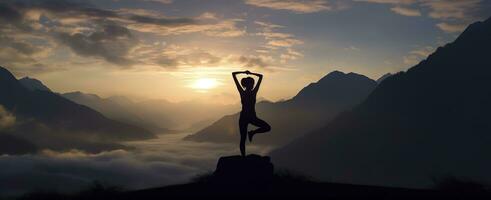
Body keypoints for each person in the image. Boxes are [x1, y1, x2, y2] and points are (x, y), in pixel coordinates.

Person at [232, 70, 271, 157]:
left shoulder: (248, 92)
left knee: (267, 128)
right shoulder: (248, 92)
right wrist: (247, 73)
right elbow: (233, 74)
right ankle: (243, 157)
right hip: (246, 118)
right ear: (247, 85)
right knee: (243, 139)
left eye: (252, 84)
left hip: (249, 117)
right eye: (251, 84)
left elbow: (261, 76)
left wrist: (246, 73)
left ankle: (252, 133)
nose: (252, 85)